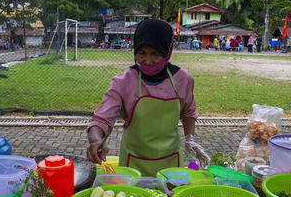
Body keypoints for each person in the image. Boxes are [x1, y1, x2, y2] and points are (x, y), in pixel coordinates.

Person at [86, 19, 210, 176]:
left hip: (170, 162)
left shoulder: (183, 79)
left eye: (156, 54)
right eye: (141, 53)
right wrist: (96, 140)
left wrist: (190, 139)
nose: (148, 61)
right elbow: (101, 119)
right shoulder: (123, 81)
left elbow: (188, 113)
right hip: (133, 163)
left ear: (168, 51)